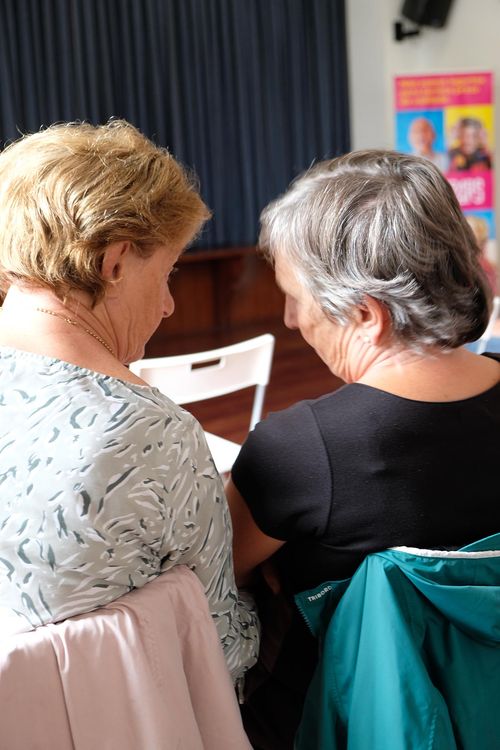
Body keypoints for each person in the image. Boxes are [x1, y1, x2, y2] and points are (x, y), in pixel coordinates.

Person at [225, 149, 500, 747]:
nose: (290, 319)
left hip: (345, 723)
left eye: (295, 296)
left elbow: (220, 576)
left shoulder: (299, 452)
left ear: (366, 314)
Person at [0, 120, 259, 682]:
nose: (168, 304)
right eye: (167, 273)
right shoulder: (148, 430)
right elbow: (220, 645)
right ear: (114, 262)